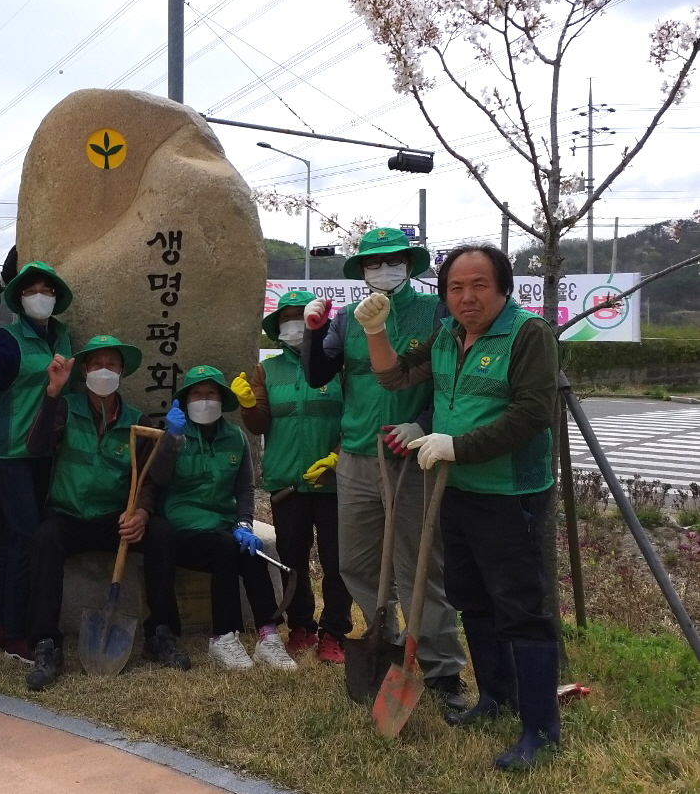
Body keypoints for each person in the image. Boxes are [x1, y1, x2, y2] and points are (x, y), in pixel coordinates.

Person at [356, 243, 561, 771]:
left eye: (479, 286)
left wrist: (457, 444)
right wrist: (376, 332)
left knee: (521, 608)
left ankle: (540, 727)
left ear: (503, 287)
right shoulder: (447, 334)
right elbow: (395, 377)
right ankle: (495, 698)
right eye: (455, 288)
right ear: (445, 294)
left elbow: (535, 413)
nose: (467, 297)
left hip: (512, 495)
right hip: (457, 491)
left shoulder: (528, 334)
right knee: (473, 597)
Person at [302, 227, 467, 708]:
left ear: (411, 264)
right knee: (356, 562)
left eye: (393, 260)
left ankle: (442, 671)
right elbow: (317, 375)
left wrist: (423, 424)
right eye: (373, 263)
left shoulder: (436, 313)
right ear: (362, 271)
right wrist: (314, 331)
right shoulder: (350, 321)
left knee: (418, 569)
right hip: (356, 455)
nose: (383, 269)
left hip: (412, 458)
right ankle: (386, 641)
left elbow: (449, 383)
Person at [23, 335, 190, 691]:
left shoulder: (136, 421)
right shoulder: (66, 408)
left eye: (111, 365)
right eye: (96, 364)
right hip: (67, 515)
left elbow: (148, 479)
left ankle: (160, 633)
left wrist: (142, 513)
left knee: (162, 534)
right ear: (83, 370)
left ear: (121, 372)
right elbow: (36, 447)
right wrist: (52, 393)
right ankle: (46, 643)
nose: (103, 371)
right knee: (43, 540)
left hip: (114, 518)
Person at [150, 365, 294, 671]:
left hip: (222, 523)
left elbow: (245, 488)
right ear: (186, 401)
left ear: (221, 398)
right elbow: (158, 478)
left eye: (211, 393)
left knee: (251, 551)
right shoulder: (175, 432)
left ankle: (268, 635)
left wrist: (244, 523)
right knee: (225, 550)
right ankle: (223, 636)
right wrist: (171, 440)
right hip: (183, 527)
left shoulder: (235, 437)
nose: (204, 400)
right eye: (197, 394)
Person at [0, 260, 73, 663]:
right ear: (20, 297)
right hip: (9, 450)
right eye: (32, 290)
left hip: (45, 449)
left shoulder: (62, 336)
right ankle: (17, 632)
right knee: (28, 535)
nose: (40, 296)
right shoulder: (7, 337)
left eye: (47, 290)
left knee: (14, 536)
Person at [237, 289, 351, 664]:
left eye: (301, 315)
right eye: (286, 317)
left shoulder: (338, 365)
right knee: (292, 558)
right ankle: (302, 625)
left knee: (337, 561)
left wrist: (337, 457)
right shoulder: (267, 370)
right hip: (287, 482)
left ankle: (334, 632)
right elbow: (259, 425)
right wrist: (249, 406)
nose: (294, 323)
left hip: (334, 481)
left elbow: (356, 418)